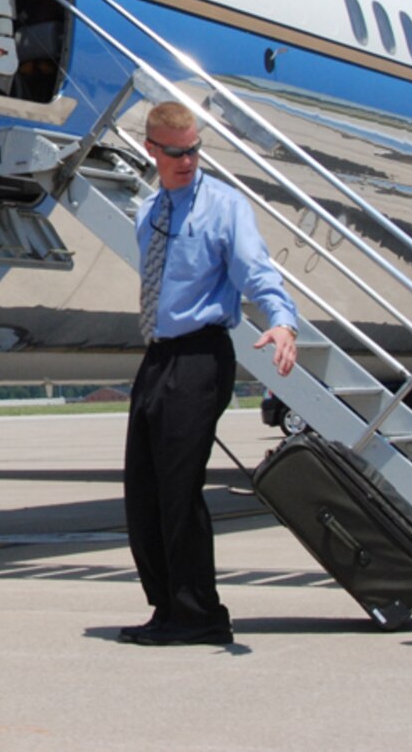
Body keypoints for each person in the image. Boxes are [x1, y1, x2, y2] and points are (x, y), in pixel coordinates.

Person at [120, 101, 298, 646]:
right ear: (152, 150)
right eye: (175, 152)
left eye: (194, 149)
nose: (188, 160)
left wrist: (283, 322)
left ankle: (199, 613)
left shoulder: (224, 206)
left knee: (179, 485)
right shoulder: (148, 210)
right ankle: (167, 604)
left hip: (201, 356)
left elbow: (256, 271)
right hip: (158, 355)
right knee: (143, 489)